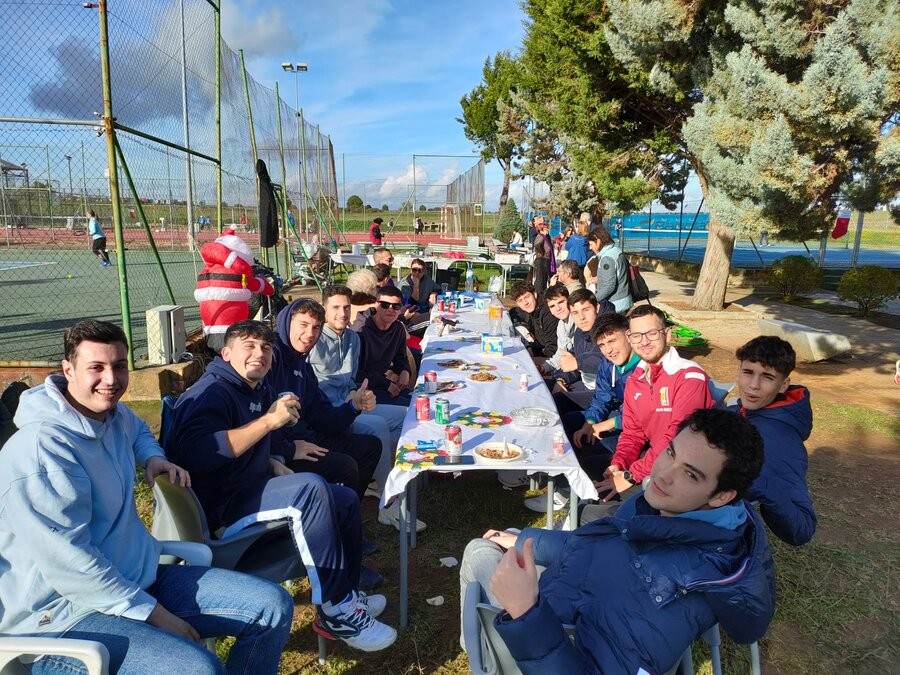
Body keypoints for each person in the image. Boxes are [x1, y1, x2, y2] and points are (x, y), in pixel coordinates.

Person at [0, 320, 294, 673]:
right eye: (96, 367)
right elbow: (72, 566)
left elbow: (138, 428)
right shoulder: (40, 452)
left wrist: (153, 457)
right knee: (199, 668)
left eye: (119, 366)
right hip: (63, 617)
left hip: (138, 579)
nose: (110, 379)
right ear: (68, 370)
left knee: (273, 606)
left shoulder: (111, 415)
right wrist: (156, 615)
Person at [459, 408, 776, 675]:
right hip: (561, 599)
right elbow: (598, 546)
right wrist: (528, 540)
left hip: (535, 640)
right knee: (503, 539)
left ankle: (485, 657)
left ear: (721, 496)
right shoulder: (666, 512)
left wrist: (525, 611)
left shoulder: (667, 595)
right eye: (670, 452)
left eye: (691, 474)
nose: (663, 474)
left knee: (478, 552)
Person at [165, 320, 396, 651]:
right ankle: (334, 611)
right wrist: (269, 422)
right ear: (226, 353)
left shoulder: (253, 387)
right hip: (222, 508)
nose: (259, 353)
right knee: (311, 488)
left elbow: (255, 440)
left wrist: (272, 458)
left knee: (344, 498)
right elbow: (196, 453)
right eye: (249, 346)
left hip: (249, 485)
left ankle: (346, 595)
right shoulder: (212, 391)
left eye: (265, 347)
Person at [309, 286, 426, 533]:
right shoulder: (313, 339)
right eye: (335, 307)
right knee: (380, 427)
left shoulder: (353, 338)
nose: (342, 313)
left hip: (353, 403)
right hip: (330, 413)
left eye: (346, 307)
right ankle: (388, 504)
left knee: (408, 417)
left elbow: (353, 378)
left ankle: (376, 475)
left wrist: (359, 393)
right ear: (324, 310)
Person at [582, 305, 714, 522]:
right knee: (589, 478)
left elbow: (677, 440)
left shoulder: (689, 377)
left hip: (683, 471)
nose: (644, 342)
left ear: (667, 334)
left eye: (651, 333)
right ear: (630, 338)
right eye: (637, 335)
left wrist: (630, 475)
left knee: (595, 513)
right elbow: (632, 433)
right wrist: (619, 462)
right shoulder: (637, 378)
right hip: (655, 461)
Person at [266, 298, 382, 506]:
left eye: (316, 327)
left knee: (370, 446)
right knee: (346, 466)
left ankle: (348, 509)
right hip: (279, 451)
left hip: (307, 439)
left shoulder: (303, 368)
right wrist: (289, 449)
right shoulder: (270, 358)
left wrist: (353, 406)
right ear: (287, 323)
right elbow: (256, 418)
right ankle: (336, 512)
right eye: (303, 325)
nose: (310, 333)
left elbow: (323, 415)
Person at [730, 336, 816, 545]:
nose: (753, 385)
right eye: (748, 372)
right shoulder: (738, 409)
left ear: (783, 385)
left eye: (767, 377)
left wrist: (760, 483)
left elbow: (802, 529)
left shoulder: (782, 443)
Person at [568, 312, 641, 467]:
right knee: (572, 423)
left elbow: (646, 416)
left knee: (597, 452)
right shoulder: (608, 364)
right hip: (622, 414)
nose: (608, 350)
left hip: (640, 430)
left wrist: (610, 423)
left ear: (628, 335)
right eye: (602, 345)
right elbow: (601, 397)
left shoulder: (645, 367)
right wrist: (590, 422)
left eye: (612, 341)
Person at [357, 286, 412, 406]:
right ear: (377, 305)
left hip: (382, 384)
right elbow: (355, 372)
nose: (390, 309)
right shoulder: (361, 331)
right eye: (385, 305)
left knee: (421, 400)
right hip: (362, 390)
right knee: (412, 408)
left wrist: (405, 371)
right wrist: (386, 384)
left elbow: (400, 357)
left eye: (396, 306)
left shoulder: (398, 329)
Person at [550, 289, 605, 401]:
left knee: (557, 401)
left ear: (597, 308)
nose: (581, 317)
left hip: (605, 392)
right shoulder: (579, 332)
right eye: (575, 313)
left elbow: (608, 360)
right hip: (584, 384)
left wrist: (578, 363)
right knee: (544, 387)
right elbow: (573, 357)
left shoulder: (610, 331)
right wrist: (561, 379)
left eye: (586, 310)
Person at [587, 226, 632, 312]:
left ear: (598, 242)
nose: (590, 248)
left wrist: (592, 300)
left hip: (616, 304)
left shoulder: (607, 258)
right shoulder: (616, 251)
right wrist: (600, 278)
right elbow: (617, 273)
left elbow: (609, 286)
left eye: (591, 244)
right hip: (624, 299)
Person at [508, 281, 558, 358]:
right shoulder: (532, 310)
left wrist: (534, 357)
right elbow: (514, 311)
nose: (525, 303)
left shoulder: (547, 312)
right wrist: (529, 347)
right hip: (541, 349)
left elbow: (552, 348)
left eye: (527, 297)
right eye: (520, 300)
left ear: (534, 294)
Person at [537, 285, 576, 379]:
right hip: (567, 372)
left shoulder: (580, 322)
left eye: (561, 302)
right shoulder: (561, 325)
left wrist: (560, 379)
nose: (558, 308)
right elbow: (560, 355)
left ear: (569, 301)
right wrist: (542, 368)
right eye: (552, 306)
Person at [532, 218, 555, 294]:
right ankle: (539, 293)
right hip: (541, 260)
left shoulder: (546, 236)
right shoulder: (540, 236)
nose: (547, 230)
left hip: (546, 260)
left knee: (544, 278)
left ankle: (542, 293)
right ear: (541, 229)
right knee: (540, 279)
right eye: (546, 229)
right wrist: (541, 252)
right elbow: (537, 244)